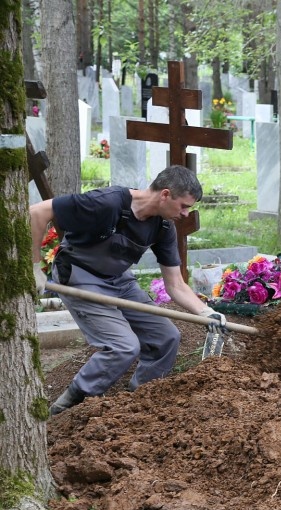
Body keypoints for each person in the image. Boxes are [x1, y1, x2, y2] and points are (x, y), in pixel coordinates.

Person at [30, 166, 227, 416]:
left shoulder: (163, 228)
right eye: (184, 206)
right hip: (81, 276)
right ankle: (70, 404)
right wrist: (34, 266)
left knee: (166, 337)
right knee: (124, 346)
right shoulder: (107, 203)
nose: (186, 213)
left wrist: (205, 311)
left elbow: (175, 284)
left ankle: (139, 403)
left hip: (119, 280)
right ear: (165, 194)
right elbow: (38, 211)